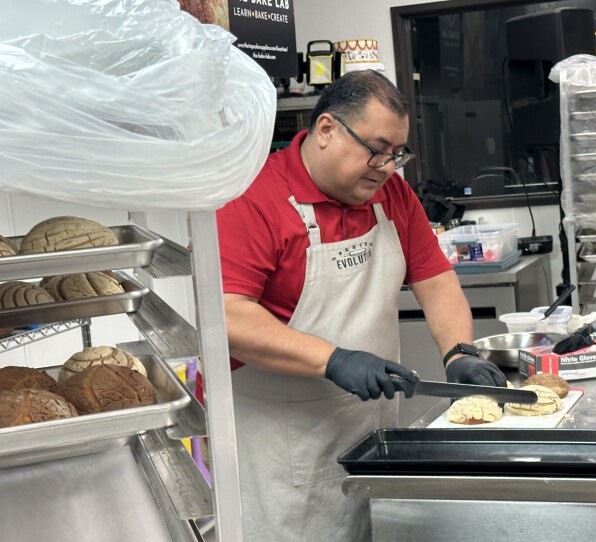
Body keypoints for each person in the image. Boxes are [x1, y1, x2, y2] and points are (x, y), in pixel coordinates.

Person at [214, 69, 506, 541]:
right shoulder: (252, 198)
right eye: (376, 149)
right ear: (327, 130)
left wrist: (459, 353)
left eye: (397, 154)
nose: (388, 167)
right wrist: (334, 359)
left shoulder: (390, 195)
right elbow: (228, 315)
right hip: (283, 453)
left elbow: (435, 280)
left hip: (371, 434)